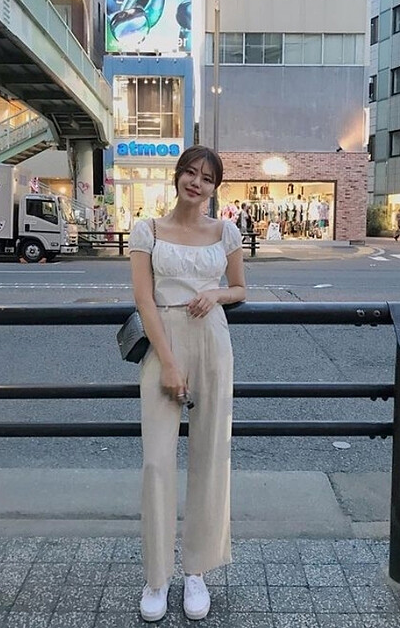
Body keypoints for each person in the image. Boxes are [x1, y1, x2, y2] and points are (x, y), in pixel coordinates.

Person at [128, 145, 246, 623]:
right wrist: (169, 362)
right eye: (191, 173)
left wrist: (217, 293)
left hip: (212, 339)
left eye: (207, 178)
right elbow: (144, 299)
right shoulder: (148, 230)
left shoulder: (226, 231)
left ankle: (196, 570)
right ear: (177, 176)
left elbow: (240, 288)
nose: (197, 182)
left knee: (210, 456)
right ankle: (157, 577)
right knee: (157, 462)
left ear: (215, 188)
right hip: (164, 342)